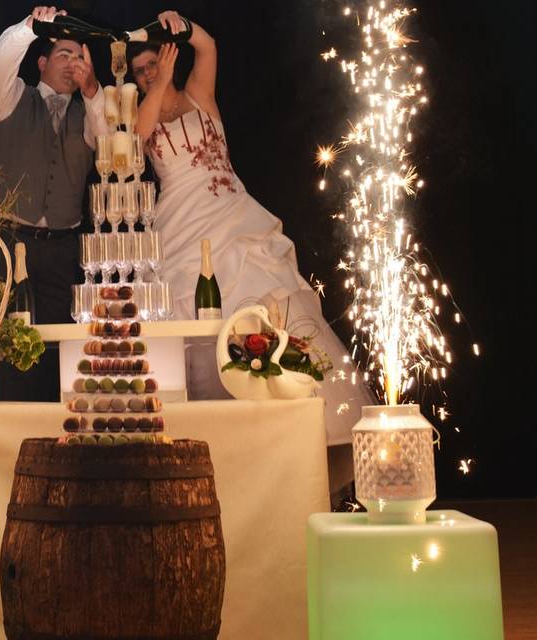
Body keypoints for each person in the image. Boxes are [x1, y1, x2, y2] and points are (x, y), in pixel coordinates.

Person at [130, 11, 371, 445]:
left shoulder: (200, 95)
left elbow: (208, 46)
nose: (149, 73)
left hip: (230, 211)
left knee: (267, 295)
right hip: (179, 222)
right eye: (141, 70)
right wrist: (160, 80)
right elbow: (137, 134)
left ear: (168, 58)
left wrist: (181, 26)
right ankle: (210, 434)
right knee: (186, 309)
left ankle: (288, 423)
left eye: (154, 63)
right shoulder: (144, 114)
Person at [0, 6, 109, 400]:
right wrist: (29, 26)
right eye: (63, 54)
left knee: (56, 349)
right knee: (1, 345)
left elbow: (109, 142)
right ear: (41, 63)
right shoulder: (11, 98)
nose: (73, 63)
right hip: (6, 242)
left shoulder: (86, 113)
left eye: (79, 57)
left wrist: (92, 91)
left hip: (61, 248)